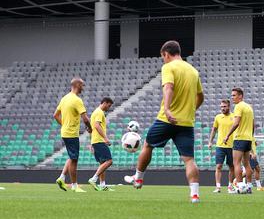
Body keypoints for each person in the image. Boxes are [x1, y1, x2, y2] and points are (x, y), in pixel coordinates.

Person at [124, 40, 204, 203]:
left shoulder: (169, 67)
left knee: (147, 144)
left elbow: (168, 88)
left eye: (163, 57)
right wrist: (190, 111)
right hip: (186, 122)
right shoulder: (193, 71)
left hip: (166, 119)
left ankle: (138, 178)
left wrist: (167, 109)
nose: (164, 60)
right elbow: (201, 97)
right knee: (189, 159)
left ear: (166, 54)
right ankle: (194, 195)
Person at [54, 77, 92, 193]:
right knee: (74, 159)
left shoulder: (64, 98)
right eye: (82, 85)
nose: (83, 88)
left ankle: (61, 178)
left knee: (72, 156)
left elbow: (55, 115)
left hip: (65, 132)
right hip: (71, 133)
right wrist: (90, 129)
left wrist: (64, 125)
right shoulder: (77, 100)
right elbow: (85, 118)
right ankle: (75, 186)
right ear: (77, 85)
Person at [222, 87, 255, 194]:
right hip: (248, 139)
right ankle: (249, 186)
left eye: (234, 95)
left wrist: (227, 135)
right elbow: (253, 125)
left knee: (236, 163)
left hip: (240, 138)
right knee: (247, 163)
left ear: (240, 96)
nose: (232, 97)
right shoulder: (249, 108)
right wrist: (251, 136)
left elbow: (236, 123)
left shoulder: (238, 106)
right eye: (232, 95)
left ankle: (240, 187)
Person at [208, 99, 236, 194]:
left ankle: (230, 186)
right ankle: (218, 187)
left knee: (231, 167)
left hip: (232, 146)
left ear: (229, 106)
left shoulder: (234, 117)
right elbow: (214, 130)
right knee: (218, 166)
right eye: (221, 107)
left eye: (224, 106)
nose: (222, 108)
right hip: (220, 145)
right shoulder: (218, 117)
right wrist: (210, 141)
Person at [87, 97, 114, 191]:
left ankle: (102, 185)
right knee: (109, 161)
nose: (109, 108)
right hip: (99, 140)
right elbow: (97, 125)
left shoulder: (95, 112)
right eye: (109, 105)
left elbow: (90, 129)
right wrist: (105, 138)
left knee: (102, 163)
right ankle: (93, 179)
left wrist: (91, 143)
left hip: (95, 141)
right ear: (105, 103)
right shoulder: (99, 112)